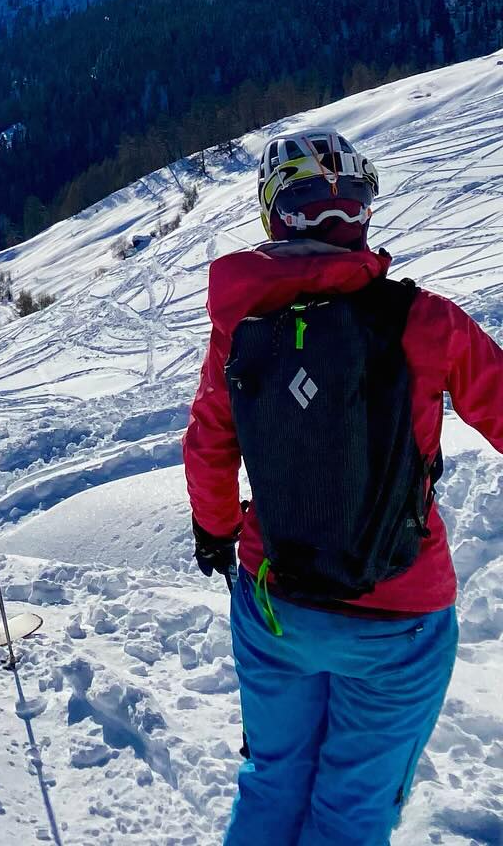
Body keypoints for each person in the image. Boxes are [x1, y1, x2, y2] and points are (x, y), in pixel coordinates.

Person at [184, 129, 503, 845]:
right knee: (351, 811)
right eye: (318, 201)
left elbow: (209, 440)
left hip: (276, 601)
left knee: (272, 783)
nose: (335, 214)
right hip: (399, 613)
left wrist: (216, 528)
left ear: (271, 220)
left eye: (343, 198)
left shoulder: (242, 326)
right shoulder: (424, 321)